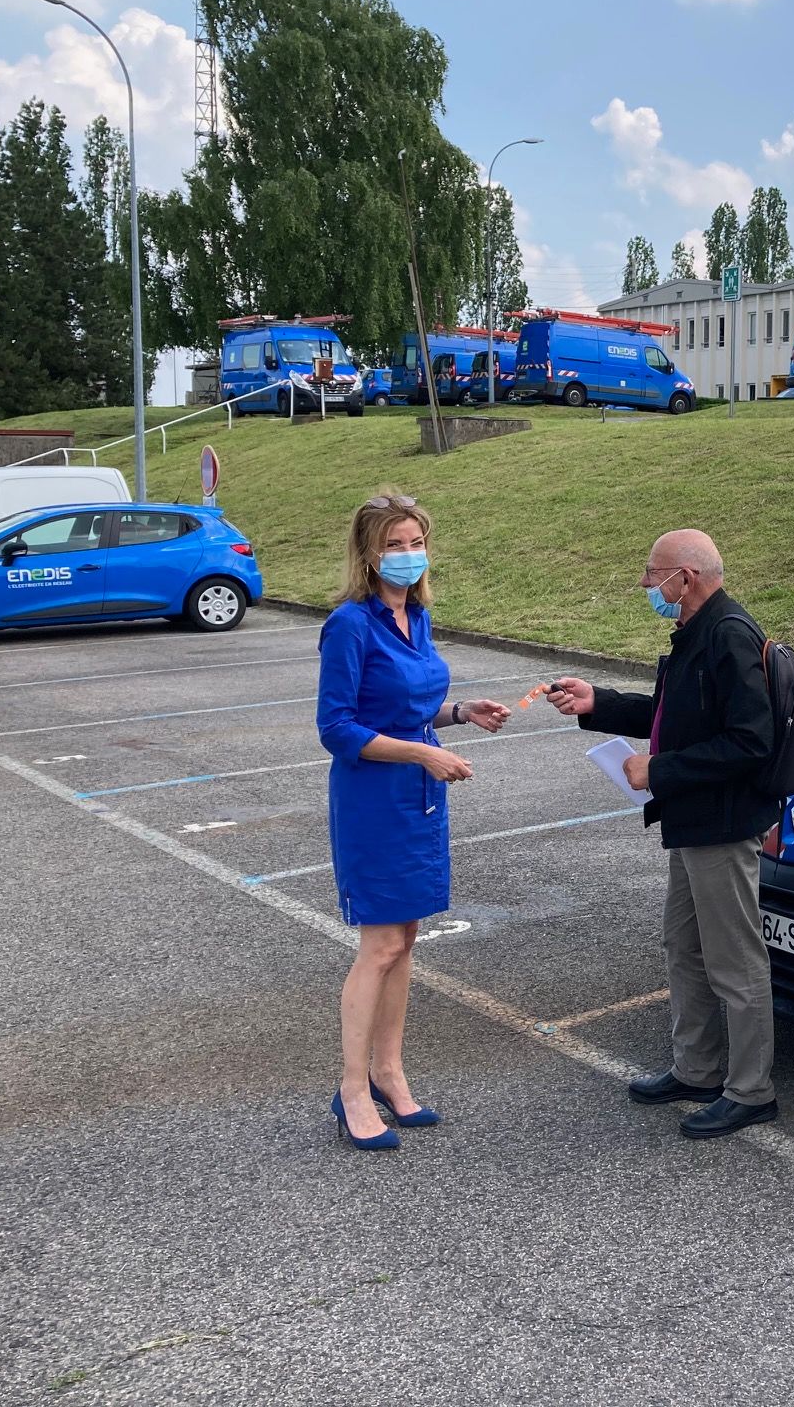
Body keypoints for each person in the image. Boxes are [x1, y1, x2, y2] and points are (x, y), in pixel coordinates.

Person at [547, 529, 781, 1140]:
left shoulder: (729, 635)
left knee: (735, 959)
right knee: (685, 945)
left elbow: (751, 742)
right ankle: (696, 1069)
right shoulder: (696, 632)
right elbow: (668, 712)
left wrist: (659, 769)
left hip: (722, 825)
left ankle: (751, 1091)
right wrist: (596, 702)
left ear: (687, 577)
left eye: (653, 574)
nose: (646, 584)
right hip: (693, 822)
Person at [317, 493, 510, 1150]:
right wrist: (424, 752)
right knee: (378, 946)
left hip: (420, 797)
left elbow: (410, 707)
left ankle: (389, 1073)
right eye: (394, 545)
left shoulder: (416, 615)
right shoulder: (350, 625)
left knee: (405, 940)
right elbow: (337, 727)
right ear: (369, 553)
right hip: (374, 798)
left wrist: (459, 713)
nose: (407, 554)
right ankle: (351, 1091)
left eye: (415, 542)